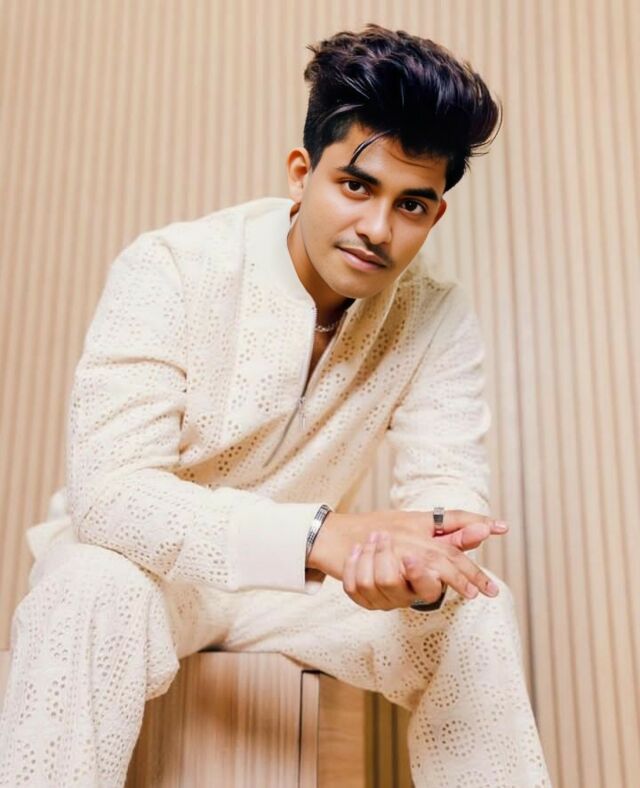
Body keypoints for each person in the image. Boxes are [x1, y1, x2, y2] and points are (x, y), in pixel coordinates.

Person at [0, 23, 551, 787]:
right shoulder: (172, 267)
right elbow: (111, 495)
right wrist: (319, 536)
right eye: (356, 186)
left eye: (412, 205)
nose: (378, 229)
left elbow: (445, 498)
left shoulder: (438, 315)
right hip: (151, 576)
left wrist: (419, 570)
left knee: (475, 610)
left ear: (435, 215)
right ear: (302, 173)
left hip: (297, 594)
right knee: (89, 585)